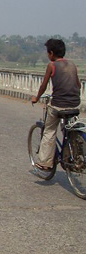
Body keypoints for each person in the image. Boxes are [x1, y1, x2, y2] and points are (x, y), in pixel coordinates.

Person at [31, 39, 81, 170]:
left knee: (49, 131)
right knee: (68, 128)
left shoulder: (52, 66)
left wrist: (36, 98)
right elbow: (78, 84)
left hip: (58, 105)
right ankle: (72, 152)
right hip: (75, 104)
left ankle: (45, 163)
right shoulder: (72, 65)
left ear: (51, 53)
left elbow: (43, 86)